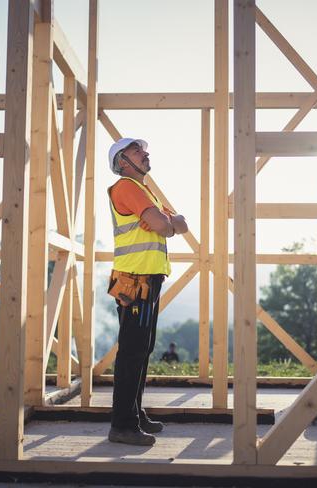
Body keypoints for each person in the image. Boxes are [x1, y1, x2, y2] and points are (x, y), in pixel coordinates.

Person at [106, 137, 188, 446]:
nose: (145, 153)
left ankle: (134, 415)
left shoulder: (144, 191)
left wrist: (163, 223)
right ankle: (123, 425)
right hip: (135, 279)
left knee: (143, 348)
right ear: (122, 162)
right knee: (132, 350)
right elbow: (166, 223)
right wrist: (164, 222)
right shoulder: (126, 187)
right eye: (136, 150)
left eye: (143, 149)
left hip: (147, 279)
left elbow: (181, 224)